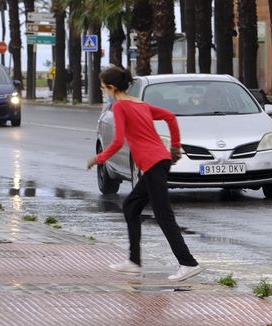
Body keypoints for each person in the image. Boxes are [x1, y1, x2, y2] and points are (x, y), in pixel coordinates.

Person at [86, 64, 202, 282]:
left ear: (112, 88)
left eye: (103, 88)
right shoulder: (140, 104)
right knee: (131, 207)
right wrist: (174, 147)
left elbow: (119, 141)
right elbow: (170, 117)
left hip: (153, 163)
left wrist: (98, 159)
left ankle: (188, 262)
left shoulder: (120, 108)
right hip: (158, 162)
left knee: (163, 214)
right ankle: (134, 262)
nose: (103, 92)